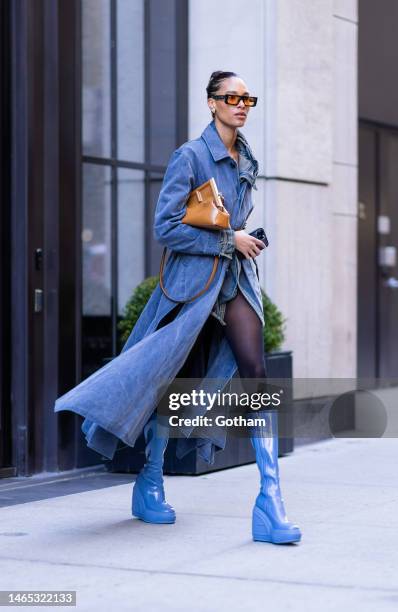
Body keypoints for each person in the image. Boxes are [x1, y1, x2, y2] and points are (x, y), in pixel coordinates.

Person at [55, 70, 301, 545]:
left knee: (257, 373)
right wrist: (232, 240)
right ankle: (149, 480)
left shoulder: (245, 158)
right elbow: (165, 227)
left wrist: (241, 242)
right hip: (190, 290)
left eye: (248, 97)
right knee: (171, 380)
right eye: (232, 97)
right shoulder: (190, 156)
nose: (242, 104)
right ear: (212, 104)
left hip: (233, 285)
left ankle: (270, 501)